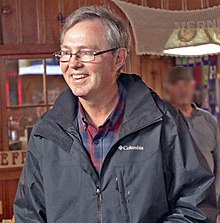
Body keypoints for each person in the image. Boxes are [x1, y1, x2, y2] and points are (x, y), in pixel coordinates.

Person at [14, 6, 217, 223]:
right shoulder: (46, 133)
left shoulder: (164, 123)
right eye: (66, 52)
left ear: (118, 59)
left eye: (86, 52)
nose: (73, 63)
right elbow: (29, 214)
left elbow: (197, 206)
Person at [165, 66, 220, 222]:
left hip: (208, 204)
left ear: (193, 86)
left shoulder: (208, 120)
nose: (183, 89)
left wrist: (213, 195)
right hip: (175, 206)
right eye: (177, 84)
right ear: (168, 88)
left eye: (186, 84)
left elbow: (218, 160)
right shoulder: (163, 120)